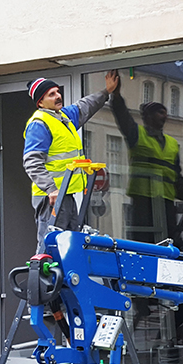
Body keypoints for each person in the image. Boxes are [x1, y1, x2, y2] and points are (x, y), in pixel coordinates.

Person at [23, 71, 119, 248]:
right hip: (51, 197)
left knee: (69, 244)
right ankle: (44, 276)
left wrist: (106, 91)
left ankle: (66, 276)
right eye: (51, 94)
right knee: (50, 245)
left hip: (65, 194)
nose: (58, 96)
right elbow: (32, 162)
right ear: (40, 102)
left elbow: (85, 106)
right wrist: (51, 189)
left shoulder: (63, 118)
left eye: (58, 91)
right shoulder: (40, 123)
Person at [109, 74, 183, 244]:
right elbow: (123, 118)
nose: (165, 116)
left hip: (166, 203)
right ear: (148, 116)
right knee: (143, 244)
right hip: (142, 202)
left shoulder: (172, 144)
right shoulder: (137, 135)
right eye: (160, 112)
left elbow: (177, 177)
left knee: (168, 243)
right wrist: (116, 96)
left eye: (165, 113)